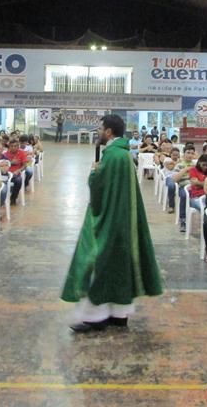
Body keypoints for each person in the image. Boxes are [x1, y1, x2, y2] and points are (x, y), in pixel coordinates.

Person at [61, 115, 163, 332]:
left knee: (97, 261)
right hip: (123, 217)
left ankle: (95, 317)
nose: (98, 132)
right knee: (119, 266)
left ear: (108, 132)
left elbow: (98, 189)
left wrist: (93, 172)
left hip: (110, 219)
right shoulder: (123, 155)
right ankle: (119, 314)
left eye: (100, 128)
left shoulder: (112, 156)